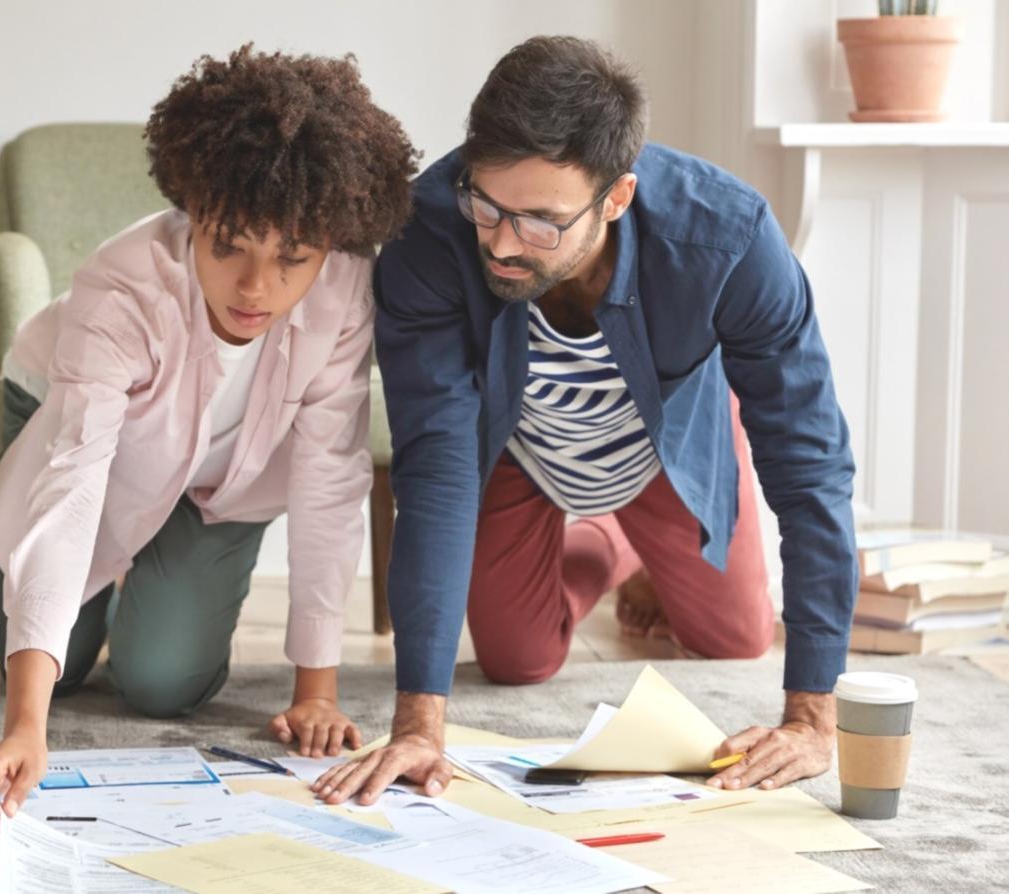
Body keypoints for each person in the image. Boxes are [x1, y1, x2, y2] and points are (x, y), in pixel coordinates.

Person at [315, 35, 856, 807]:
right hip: (519, 449)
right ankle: (603, 543)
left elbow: (812, 466)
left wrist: (812, 719)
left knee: (736, 636)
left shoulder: (729, 240)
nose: (502, 243)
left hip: (664, 445)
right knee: (516, 660)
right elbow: (435, 462)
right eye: (488, 206)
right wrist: (417, 725)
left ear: (616, 198)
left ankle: (631, 538)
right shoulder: (428, 230)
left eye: (540, 223)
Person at [0, 45, 418, 832]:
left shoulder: (347, 289)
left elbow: (328, 477)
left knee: (160, 681)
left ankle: (152, 573)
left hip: (224, 478)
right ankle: (62, 612)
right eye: (228, 245)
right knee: (55, 666)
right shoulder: (122, 289)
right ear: (194, 212)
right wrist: (25, 727)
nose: (255, 287)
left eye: (291, 259)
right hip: (69, 423)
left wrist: (317, 690)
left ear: (327, 249)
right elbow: (70, 489)